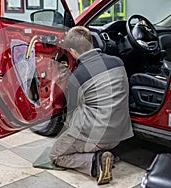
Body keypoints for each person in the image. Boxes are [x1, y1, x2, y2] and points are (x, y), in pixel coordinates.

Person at [49, 26, 134, 185]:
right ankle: (107, 153)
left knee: (56, 155)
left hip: (97, 138)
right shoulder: (118, 62)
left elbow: (71, 118)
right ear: (91, 42)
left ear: (73, 51)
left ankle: (95, 162)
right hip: (120, 135)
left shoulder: (77, 77)